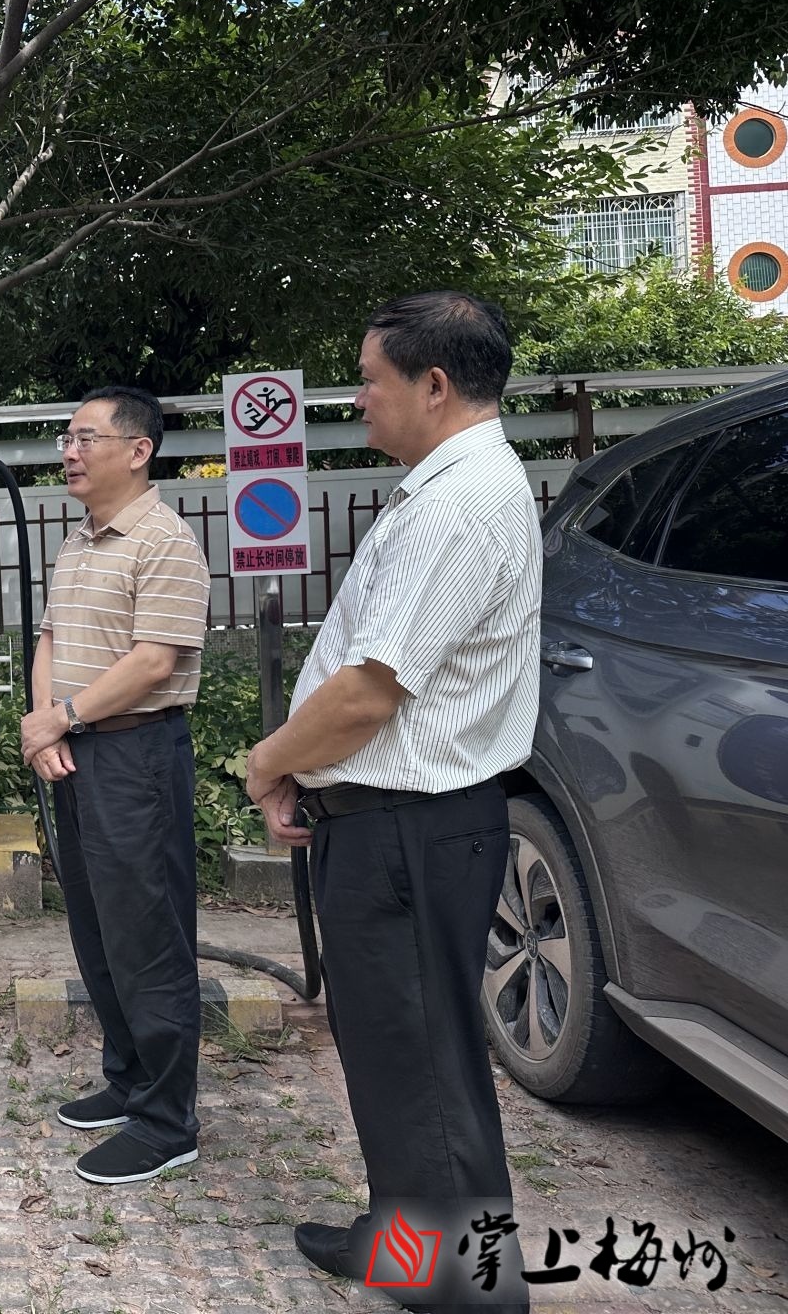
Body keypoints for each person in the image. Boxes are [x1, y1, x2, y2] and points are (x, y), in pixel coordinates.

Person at [245, 292, 537, 1312]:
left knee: (424, 1063)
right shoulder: (451, 488)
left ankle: (473, 1292)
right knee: (393, 1054)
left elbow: (371, 691)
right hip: (394, 824)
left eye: (371, 380)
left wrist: (267, 761)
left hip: (411, 827)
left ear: (434, 384)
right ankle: (404, 1247)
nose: (359, 398)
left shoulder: (460, 504)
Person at [21, 386, 210, 1185]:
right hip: (78, 750)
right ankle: (129, 1080)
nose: (70, 451)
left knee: (148, 937)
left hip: (137, 756)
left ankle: (168, 1122)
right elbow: (51, 638)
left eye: (86, 438)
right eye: (66, 438)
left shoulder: (164, 541)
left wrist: (61, 717)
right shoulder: (78, 542)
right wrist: (45, 726)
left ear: (138, 451)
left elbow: (153, 663)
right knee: (97, 928)